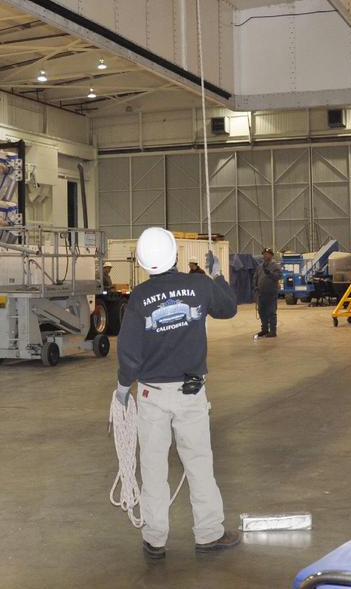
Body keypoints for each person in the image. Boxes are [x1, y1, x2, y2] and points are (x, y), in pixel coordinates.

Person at [114, 227, 240, 559]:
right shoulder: (199, 286)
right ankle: (209, 533)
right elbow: (229, 308)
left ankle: (155, 539)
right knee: (198, 462)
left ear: (143, 262)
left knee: (153, 467)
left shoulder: (139, 297)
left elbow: (129, 351)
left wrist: (123, 386)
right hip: (190, 393)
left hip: (151, 395)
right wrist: (217, 276)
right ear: (174, 255)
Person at [253, 248, 281, 339]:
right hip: (261, 293)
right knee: (262, 312)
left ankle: (273, 331)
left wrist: (270, 274)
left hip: (271, 293)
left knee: (271, 312)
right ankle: (264, 329)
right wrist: (255, 286)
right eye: (264, 254)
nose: (266, 255)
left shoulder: (275, 266)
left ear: (271, 255)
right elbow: (256, 277)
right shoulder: (260, 266)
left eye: (268, 254)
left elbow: (278, 276)